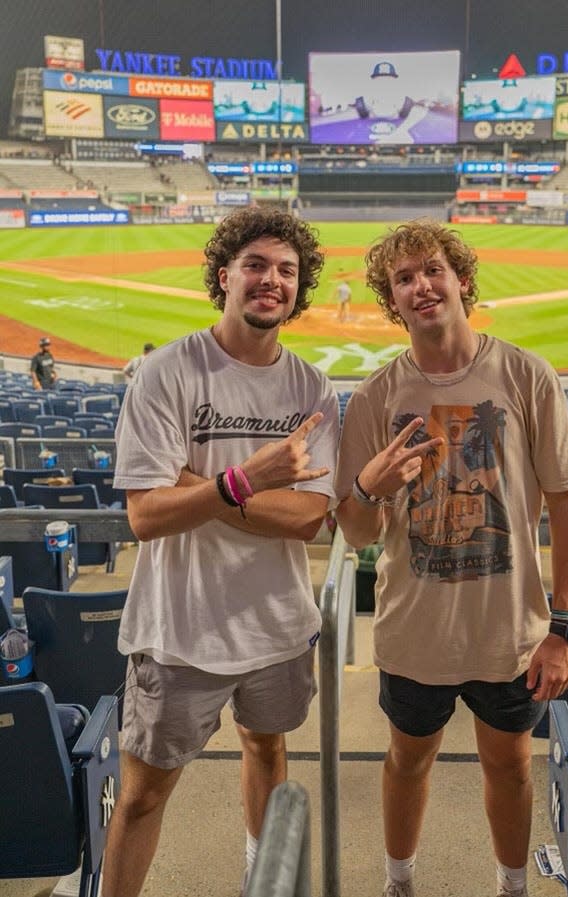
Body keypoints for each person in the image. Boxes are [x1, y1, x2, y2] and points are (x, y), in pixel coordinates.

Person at [334, 220, 568, 897]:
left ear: (462, 279)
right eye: (404, 279)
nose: (420, 286)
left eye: (431, 270)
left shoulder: (527, 375)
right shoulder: (374, 397)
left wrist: (565, 628)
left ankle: (511, 885)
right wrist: (368, 487)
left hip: (511, 633)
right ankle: (399, 880)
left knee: (509, 765)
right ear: (393, 301)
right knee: (407, 761)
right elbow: (354, 530)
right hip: (414, 632)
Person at [104, 206, 340, 897]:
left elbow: (308, 522)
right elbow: (147, 514)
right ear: (224, 275)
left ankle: (259, 875)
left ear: (299, 288)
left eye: (287, 271)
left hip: (275, 627)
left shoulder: (311, 388)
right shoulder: (167, 373)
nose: (272, 280)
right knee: (144, 794)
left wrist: (200, 486)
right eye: (257, 265)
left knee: (267, 748)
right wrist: (246, 480)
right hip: (178, 628)